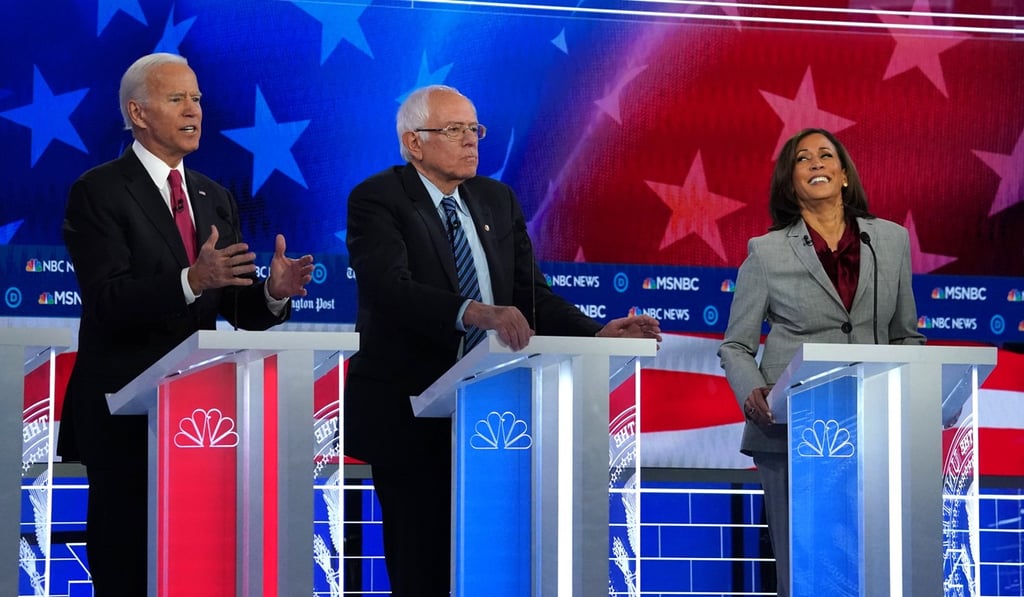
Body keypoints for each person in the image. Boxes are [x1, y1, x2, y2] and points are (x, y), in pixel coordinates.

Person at [343, 84, 662, 596]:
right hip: (409, 412)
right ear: (414, 142)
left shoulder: (495, 198)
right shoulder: (378, 198)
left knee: (499, 561)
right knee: (423, 562)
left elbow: (530, 296)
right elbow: (388, 288)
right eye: (454, 130)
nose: (471, 141)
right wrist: (471, 311)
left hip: (498, 416)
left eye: (475, 129)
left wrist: (595, 332)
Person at [56, 53, 314, 596]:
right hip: (124, 411)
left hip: (203, 422)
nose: (195, 109)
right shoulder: (98, 191)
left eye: (196, 98)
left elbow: (235, 309)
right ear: (139, 112)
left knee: (199, 558)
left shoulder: (213, 195)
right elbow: (106, 300)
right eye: (178, 99)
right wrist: (190, 280)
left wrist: (270, 291)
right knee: (128, 558)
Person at [718, 128, 925, 597]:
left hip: (871, 424)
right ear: (791, 185)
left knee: (873, 558)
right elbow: (736, 345)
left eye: (825, 155)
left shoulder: (889, 241)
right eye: (802, 159)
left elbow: (906, 335)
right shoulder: (766, 252)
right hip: (790, 429)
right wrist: (754, 394)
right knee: (803, 563)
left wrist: (911, 399)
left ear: (844, 175)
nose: (815, 163)